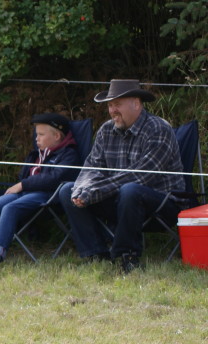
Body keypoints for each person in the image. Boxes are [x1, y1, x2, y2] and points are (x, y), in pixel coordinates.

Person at [57, 79, 193, 273]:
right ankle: (95, 254)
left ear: (136, 104)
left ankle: (126, 255)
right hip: (120, 200)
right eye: (110, 105)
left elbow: (142, 176)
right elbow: (92, 167)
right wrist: (82, 190)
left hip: (164, 204)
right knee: (67, 190)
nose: (112, 110)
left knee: (130, 190)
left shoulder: (159, 129)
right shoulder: (106, 130)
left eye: (117, 104)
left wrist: (95, 192)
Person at [0, 113, 81, 272]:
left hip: (48, 196)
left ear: (57, 136)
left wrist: (23, 185)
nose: (36, 138)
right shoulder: (36, 155)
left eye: (41, 134)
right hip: (24, 195)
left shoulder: (69, 154)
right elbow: (20, 185)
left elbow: (55, 178)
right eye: (36, 134)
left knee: (10, 208)